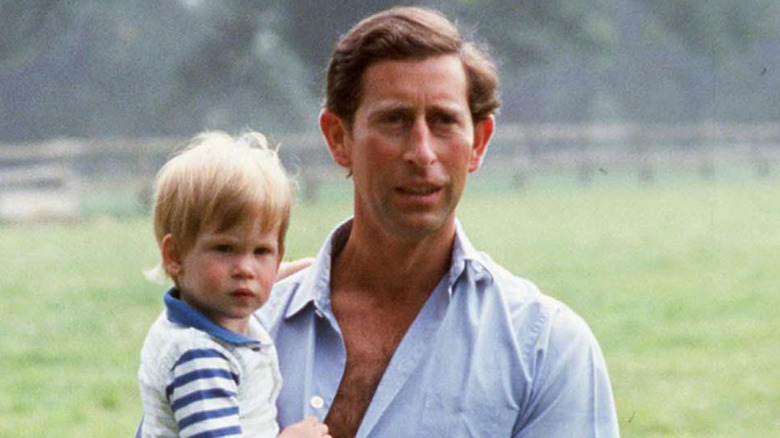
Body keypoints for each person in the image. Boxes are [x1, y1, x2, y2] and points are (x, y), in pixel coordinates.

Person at [257, 6, 620, 438]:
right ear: (339, 138)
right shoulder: (248, 325)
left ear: (478, 143)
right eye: (394, 120)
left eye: (444, 121)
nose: (422, 152)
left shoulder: (544, 349)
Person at [137, 131, 331, 438]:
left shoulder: (196, 316)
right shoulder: (199, 357)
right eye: (225, 249)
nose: (246, 269)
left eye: (261, 252)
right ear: (174, 256)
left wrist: (291, 271)